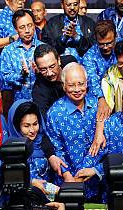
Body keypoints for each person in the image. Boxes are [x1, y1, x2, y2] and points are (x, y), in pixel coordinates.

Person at [46, 63, 101, 199]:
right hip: (68, 183)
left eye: (81, 84)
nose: (77, 89)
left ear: (87, 84)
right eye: (71, 85)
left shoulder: (97, 106)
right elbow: (55, 147)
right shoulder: (55, 112)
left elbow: (105, 142)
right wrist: (67, 175)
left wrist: (91, 169)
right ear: (64, 86)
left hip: (96, 181)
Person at [6, 100, 58, 196]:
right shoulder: (9, 149)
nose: (32, 130)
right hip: (21, 200)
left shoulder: (44, 142)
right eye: (26, 126)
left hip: (47, 198)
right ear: (16, 126)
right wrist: (30, 182)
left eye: (35, 124)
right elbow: (8, 179)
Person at [0, 10, 45, 104]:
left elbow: (53, 75)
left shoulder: (43, 48)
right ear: (16, 29)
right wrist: (21, 75)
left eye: (30, 25)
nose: (27, 30)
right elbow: (4, 78)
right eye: (22, 27)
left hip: (41, 103)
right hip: (18, 104)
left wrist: (40, 72)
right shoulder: (8, 51)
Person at [32, 44, 77, 118]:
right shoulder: (39, 91)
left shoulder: (71, 63)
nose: (49, 73)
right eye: (43, 69)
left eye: (52, 66)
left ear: (59, 60)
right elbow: (44, 119)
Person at [82, 20, 117, 103]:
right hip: (97, 97)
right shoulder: (89, 56)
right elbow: (92, 82)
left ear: (116, 37)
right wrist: (101, 99)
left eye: (109, 43)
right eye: (101, 44)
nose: (105, 47)